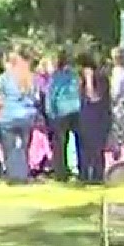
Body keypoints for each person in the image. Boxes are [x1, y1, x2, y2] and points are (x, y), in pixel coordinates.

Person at [0, 51, 40, 184]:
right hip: (27, 117)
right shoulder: (31, 78)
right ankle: (24, 175)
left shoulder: (4, 78)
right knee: (24, 148)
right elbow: (37, 98)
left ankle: (13, 176)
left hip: (8, 116)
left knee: (9, 147)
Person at [74, 51, 111, 183]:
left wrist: (89, 81)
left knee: (96, 150)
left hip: (98, 119)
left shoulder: (101, 79)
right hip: (85, 118)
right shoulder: (81, 82)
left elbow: (95, 98)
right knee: (84, 148)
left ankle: (97, 176)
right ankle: (84, 175)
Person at [44, 51, 80, 181]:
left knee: (59, 143)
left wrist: (50, 112)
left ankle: (61, 172)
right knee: (79, 141)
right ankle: (82, 169)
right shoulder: (74, 75)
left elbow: (51, 94)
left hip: (61, 111)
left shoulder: (56, 77)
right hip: (76, 109)